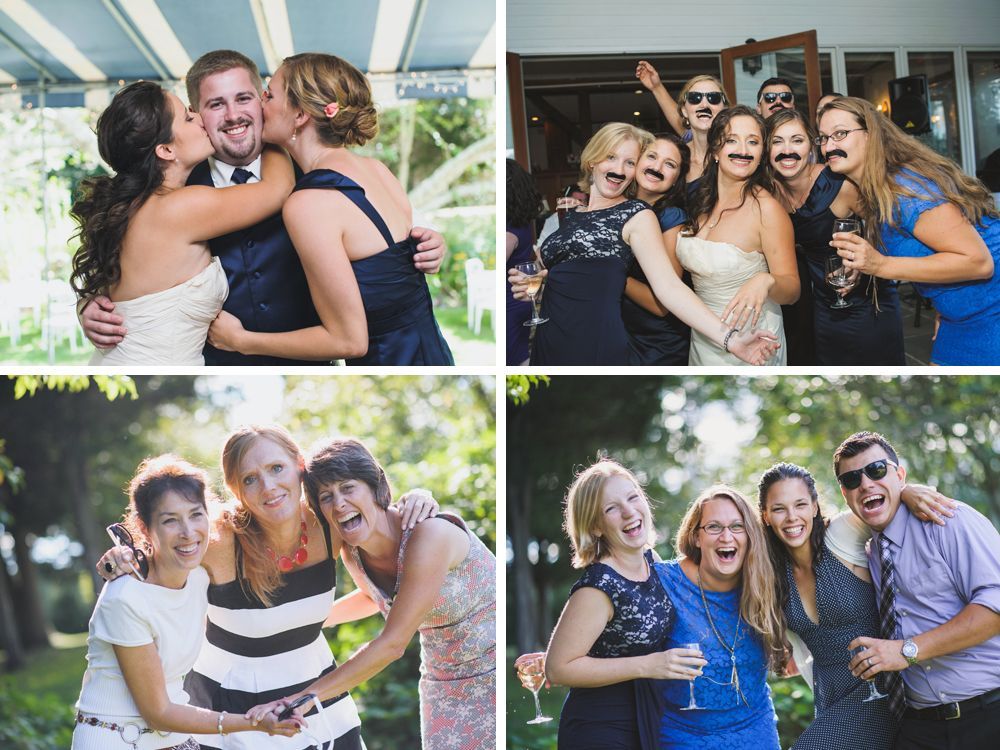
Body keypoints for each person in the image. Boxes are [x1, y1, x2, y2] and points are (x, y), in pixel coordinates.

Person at [79, 50, 446, 366]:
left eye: (246, 98)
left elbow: (380, 246)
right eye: (215, 105)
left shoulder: (322, 176)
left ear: (261, 100)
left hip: (311, 367)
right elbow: (122, 259)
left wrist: (425, 244)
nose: (233, 114)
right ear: (197, 113)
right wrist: (89, 304)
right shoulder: (174, 187)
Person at [98, 425, 439, 750]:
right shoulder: (218, 541)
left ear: (299, 467)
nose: (268, 487)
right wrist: (124, 556)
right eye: (250, 479)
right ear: (236, 490)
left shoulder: (328, 522)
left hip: (318, 694)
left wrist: (417, 498)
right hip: (234, 705)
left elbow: (373, 587)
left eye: (277, 468)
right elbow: (165, 548)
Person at [245, 438, 496, 750]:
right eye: (326, 496)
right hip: (442, 683)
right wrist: (301, 621)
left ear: (375, 485)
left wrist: (303, 698)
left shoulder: (429, 535)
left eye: (348, 488)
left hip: (494, 671)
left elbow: (392, 643)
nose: (338, 504)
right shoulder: (353, 550)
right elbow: (373, 597)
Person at [206, 53, 454, 365]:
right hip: (431, 351)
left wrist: (241, 340)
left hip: (389, 362)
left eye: (268, 94)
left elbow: (348, 341)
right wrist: (430, 246)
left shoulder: (309, 202)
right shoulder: (377, 170)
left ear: (299, 115)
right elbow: (394, 267)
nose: (259, 105)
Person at [73, 456, 303, 749]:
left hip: (175, 738)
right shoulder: (124, 599)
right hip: (114, 738)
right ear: (144, 528)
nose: (187, 531)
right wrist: (253, 722)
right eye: (170, 520)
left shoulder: (199, 577)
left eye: (196, 515)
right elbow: (158, 713)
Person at [512, 122, 780, 365]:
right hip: (550, 339)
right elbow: (563, 276)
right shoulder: (570, 215)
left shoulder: (637, 215)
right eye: (611, 158)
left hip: (594, 342)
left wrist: (731, 340)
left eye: (629, 162)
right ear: (592, 160)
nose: (619, 169)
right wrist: (534, 285)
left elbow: (669, 288)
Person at [70, 81, 295, 365]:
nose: (201, 119)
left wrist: (87, 303)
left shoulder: (128, 209)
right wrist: (270, 129)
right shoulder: (179, 208)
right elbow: (278, 188)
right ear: (165, 150)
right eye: (188, 118)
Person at [757, 462, 957, 749]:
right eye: (779, 509)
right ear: (765, 515)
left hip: (880, 691)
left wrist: (908, 490)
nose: (791, 517)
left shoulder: (840, 536)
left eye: (800, 504)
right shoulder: (772, 572)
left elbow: (884, 504)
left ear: (814, 506)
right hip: (829, 699)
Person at [516, 460, 704, 750]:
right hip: (601, 728)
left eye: (632, 497)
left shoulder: (651, 562)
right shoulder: (599, 584)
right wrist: (650, 664)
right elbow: (559, 669)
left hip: (648, 718)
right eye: (611, 508)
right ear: (595, 526)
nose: (629, 512)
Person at [833, 431, 1000, 750]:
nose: (866, 484)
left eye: (877, 470)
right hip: (920, 727)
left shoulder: (949, 520)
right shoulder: (869, 549)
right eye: (853, 479)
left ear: (900, 475)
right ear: (845, 493)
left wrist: (905, 650)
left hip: (989, 715)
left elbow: (995, 609)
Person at [820, 96, 1000, 365]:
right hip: (957, 315)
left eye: (840, 134)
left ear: (870, 135)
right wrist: (863, 266)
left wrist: (881, 265)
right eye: (822, 138)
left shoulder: (907, 188)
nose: (829, 146)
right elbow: (926, 250)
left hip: (990, 311)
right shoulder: (875, 192)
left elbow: (978, 262)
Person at [765, 108, 904, 365]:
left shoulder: (840, 185)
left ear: (811, 146)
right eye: (777, 141)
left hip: (865, 302)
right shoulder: (768, 194)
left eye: (797, 140)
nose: (787, 150)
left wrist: (864, 262)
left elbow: (888, 227)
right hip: (821, 304)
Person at [655, 485, 784, 749]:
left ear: (750, 536)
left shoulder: (765, 581)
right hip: (683, 737)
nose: (727, 537)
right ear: (696, 537)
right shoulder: (663, 583)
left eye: (737, 527)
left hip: (756, 732)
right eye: (714, 527)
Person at [679, 106, 799, 365]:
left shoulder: (767, 209)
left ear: (761, 154)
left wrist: (766, 280)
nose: (743, 150)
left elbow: (792, 290)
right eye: (732, 140)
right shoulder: (698, 201)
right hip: (703, 337)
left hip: (754, 340)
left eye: (753, 142)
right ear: (714, 151)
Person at [635, 63, 730, 193]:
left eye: (713, 98)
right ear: (684, 111)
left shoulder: (736, 154)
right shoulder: (677, 154)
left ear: (724, 109)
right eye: (694, 98)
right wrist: (656, 87)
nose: (704, 104)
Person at [506, 159, 544, 365]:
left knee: (514, 360)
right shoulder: (521, 224)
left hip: (510, 304)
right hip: (518, 302)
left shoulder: (508, 232)